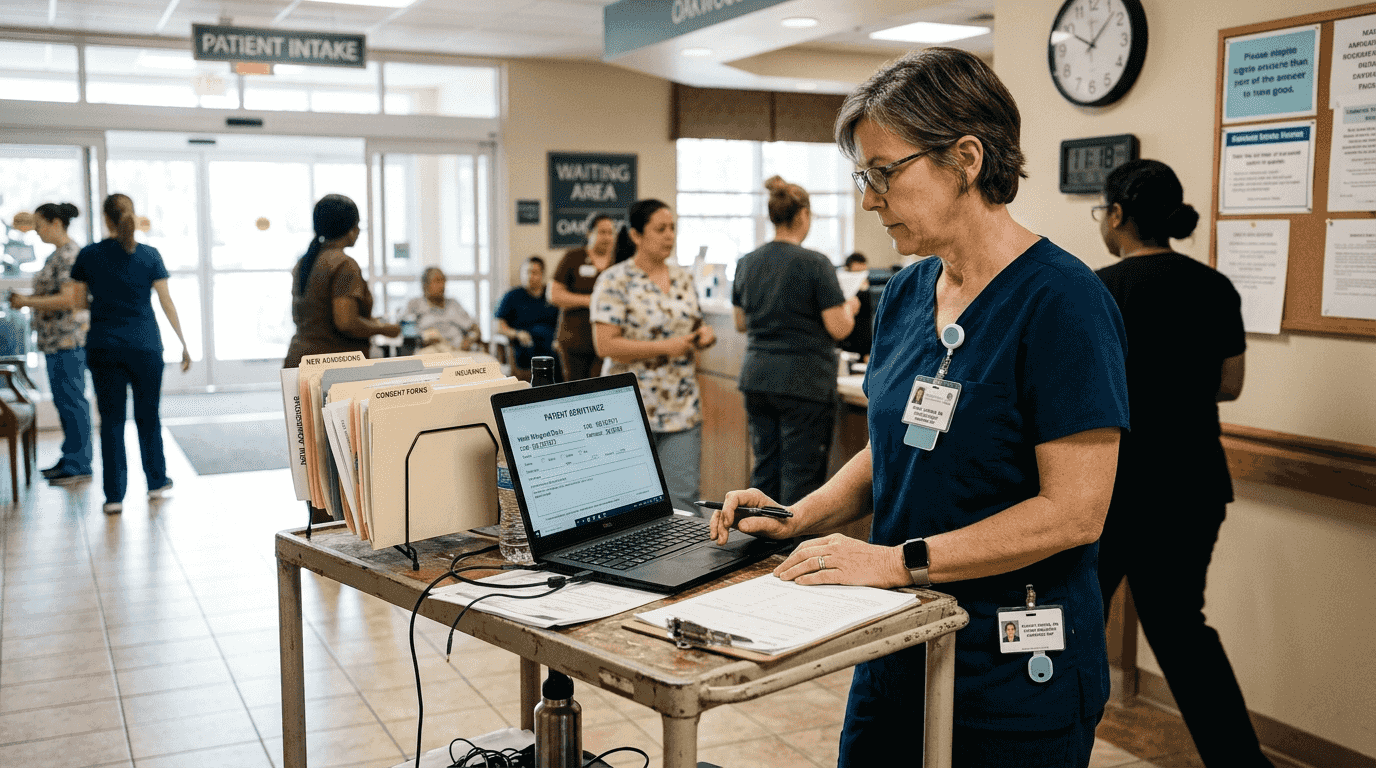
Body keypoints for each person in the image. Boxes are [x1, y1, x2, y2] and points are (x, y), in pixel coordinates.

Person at [708, 48, 1129, 767]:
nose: (869, 199)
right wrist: (798, 517)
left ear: (965, 158)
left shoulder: (1063, 303)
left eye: (883, 173)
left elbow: (1074, 512)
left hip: (1011, 670)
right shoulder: (906, 294)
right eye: (861, 176)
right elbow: (897, 444)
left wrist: (896, 562)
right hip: (897, 646)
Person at [1094, 159, 1269, 768]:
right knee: (1182, 632)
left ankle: (1044, 748)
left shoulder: (1100, 290)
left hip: (1112, 489)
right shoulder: (1213, 286)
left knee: (1076, 624)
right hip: (1193, 486)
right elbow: (1230, 384)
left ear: (1116, 216)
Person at [732, 175, 859, 505]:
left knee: (765, 469)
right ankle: (791, 552)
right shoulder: (815, 264)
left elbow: (740, 322)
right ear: (803, 215)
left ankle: (758, 547)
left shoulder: (747, 262)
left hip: (757, 377)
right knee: (800, 477)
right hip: (803, 382)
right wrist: (851, 306)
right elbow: (839, 328)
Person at [70, 194, 193, 515]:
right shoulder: (150, 255)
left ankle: (114, 497)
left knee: (110, 421)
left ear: (106, 219)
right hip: (146, 346)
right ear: (132, 216)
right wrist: (183, 342)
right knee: (148, 417)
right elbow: (166, 302)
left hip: (104, 346)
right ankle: (156, 483)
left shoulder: (89, 255)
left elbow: (79, 303)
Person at [591, 199, 714, 514]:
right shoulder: (615, 280)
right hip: (629, 408)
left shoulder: (683, 277)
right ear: (635, 235)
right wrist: (665, 347)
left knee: (683, 503)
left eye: (672, 228)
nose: (669, 236)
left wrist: (703, 336)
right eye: (660, 229)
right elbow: (605, 345)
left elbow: (691, 324)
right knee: (628, 505)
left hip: (681, 407)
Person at [9, 202, 92, 486]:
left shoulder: (70, 255)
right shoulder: (56, 256)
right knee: (64, 401)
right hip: (54, 341)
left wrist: (26, 302)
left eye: (40, 225)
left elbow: (70, 299)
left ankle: (80, 462)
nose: (37, 231)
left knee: (72, 401)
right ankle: (71, 456)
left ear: (56, 223)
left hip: (67, 339)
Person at [283, 194, 399, 369]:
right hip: (331, 364)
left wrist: (371, 322)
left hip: (300, 359)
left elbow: (320, 315)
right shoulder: (344, 264)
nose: (359, 231)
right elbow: (346, 322)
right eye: (358, 225)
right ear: (349, 228)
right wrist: (384, 329)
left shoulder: (307, 261)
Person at [549, 212, 617, 381]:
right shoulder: (573, 257)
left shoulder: (618, 262)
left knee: (603, 388)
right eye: (602, 232)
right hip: (575, 340)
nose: (607, 237)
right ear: (589, 233)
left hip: (608, 340)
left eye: (610, 232)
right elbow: (553, 295)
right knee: (576, 390)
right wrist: (589, 301)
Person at [495, 256, 560, 376]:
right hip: (526, 345)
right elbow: (499, 327)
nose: (530, 276)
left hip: (551, 344)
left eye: (534, 272)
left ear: (542, 274)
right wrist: (517, 334)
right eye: (526, 272)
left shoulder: (551, 295)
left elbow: (561, 324)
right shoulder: (512, 296)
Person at [403, 267, 481, 353]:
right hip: (429, 350)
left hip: (458, 350)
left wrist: (469, 340)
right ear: (425, 285)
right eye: (437, 281)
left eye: (443, 281)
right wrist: (422, 339)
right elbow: (405, 330)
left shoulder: (454, 304)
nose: (442, 285)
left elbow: (475, 330)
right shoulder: (415, 304)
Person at [839, 252, 874, 361]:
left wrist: (868, 351)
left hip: (861, 337)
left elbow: (866, 320)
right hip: (844, 335)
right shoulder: (840, 279)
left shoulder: (864, 287)